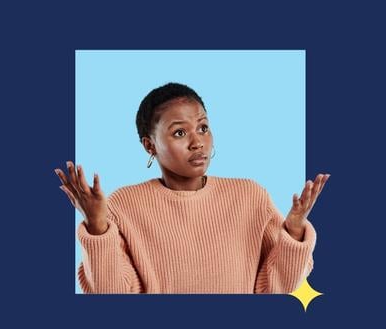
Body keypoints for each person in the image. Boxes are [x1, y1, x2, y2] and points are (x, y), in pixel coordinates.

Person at [55, 82, 330, 294]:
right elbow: (113, 295)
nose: (198, 142)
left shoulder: (250, 196)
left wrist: (293, 231)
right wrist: (97, 227)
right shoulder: (125, 204)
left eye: (203, 127)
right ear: (149, 146)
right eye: (179, 132)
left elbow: (275, 290)